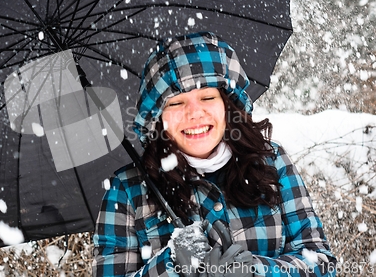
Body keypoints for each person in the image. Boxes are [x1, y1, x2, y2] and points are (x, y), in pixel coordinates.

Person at [92, 31, 337, 276]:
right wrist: (173, 266)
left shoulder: (271, 162)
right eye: (176, 102)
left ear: (227, 105)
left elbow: (321, 263)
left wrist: (255, 270)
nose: (194, 113)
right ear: (158, 116)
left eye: (207, 97)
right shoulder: (127, 190)